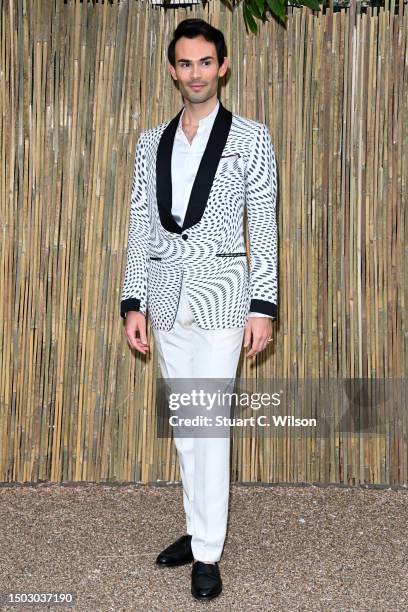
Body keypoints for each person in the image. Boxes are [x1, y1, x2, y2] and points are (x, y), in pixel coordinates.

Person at [120, 17, 278, 601]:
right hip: (164, 297)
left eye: (205, 62)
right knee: (186, 424)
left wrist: (262, 306)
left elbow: (262, 223)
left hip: (222, 296)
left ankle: (208, 553)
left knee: (209, 425)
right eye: (185, 63)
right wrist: (132, 301)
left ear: (223, 66)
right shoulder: (150, 142)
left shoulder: (251, 138)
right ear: (172, 69)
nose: (195, 73)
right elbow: (141, 224)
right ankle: (196, 527)